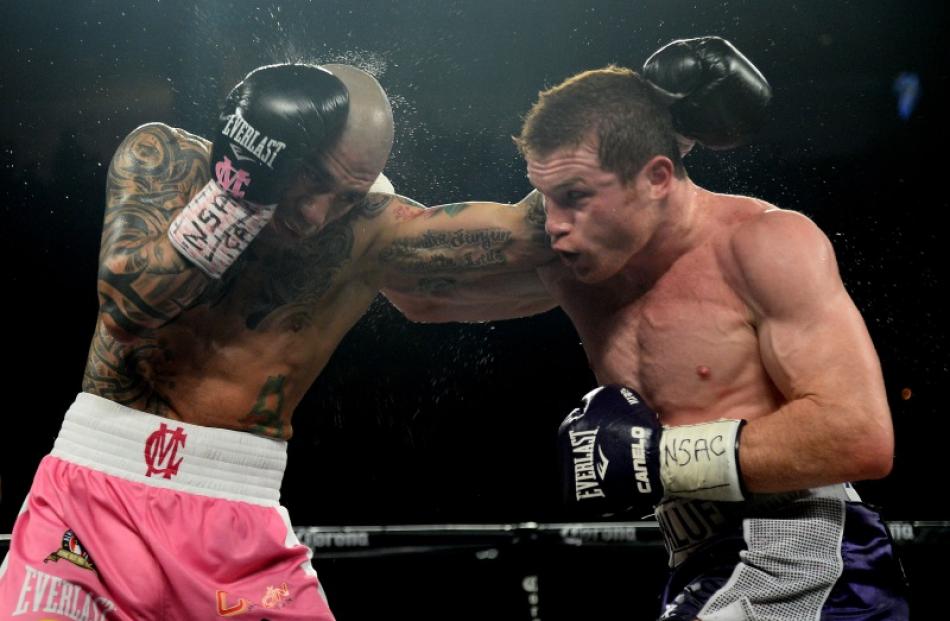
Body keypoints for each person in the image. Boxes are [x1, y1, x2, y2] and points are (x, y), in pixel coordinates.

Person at [0, 62, 553, 620]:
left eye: (345, 195)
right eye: (312, 178)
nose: (317, 215)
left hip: (239, 527)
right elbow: (125, 310)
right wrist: (239, 192)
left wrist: (637, 115)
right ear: (262, 143)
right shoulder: (163, 158)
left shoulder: (370, 231)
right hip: (89, 501)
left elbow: (529, 234)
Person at [391, 38, 910, 619]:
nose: (553, 226)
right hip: (703, 562)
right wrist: (355, 198)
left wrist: (657, 459)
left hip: (804, 558)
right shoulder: (578, 266)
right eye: (545, 197)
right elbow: (422, 299)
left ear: (657, 177)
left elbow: (858, 435)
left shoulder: (763, 245)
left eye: (575, 197)